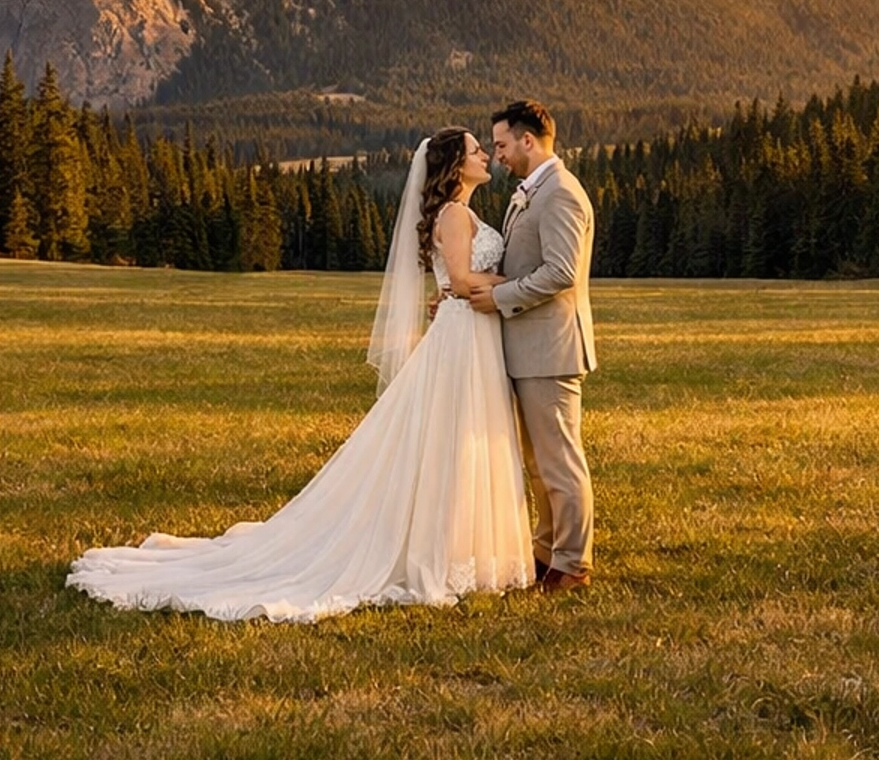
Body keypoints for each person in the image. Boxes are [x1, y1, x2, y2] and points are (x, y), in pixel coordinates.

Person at [66, 130, 533, 622]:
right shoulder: (455, 215)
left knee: (457, 444)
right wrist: (519, 284)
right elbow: (460, 281)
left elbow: (452, 282)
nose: (485, 155)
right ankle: (449, 553)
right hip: (461, 339)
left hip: (470, 334)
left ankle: (463, 546)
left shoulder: (466, 212)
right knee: (452, 443)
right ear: (455, 166)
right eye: (476, 150)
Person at [470, 99, 597, 592]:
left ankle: (573, 563)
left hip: (551, 349)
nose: (497, 154)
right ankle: (546, 551)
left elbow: (561, 272)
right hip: (529, 350)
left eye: (501, 144)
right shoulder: (533, 192)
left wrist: (499, 297)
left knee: (560, 462)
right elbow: (526, 265)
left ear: (528, 140)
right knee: (537, 463)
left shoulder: (561, 192)